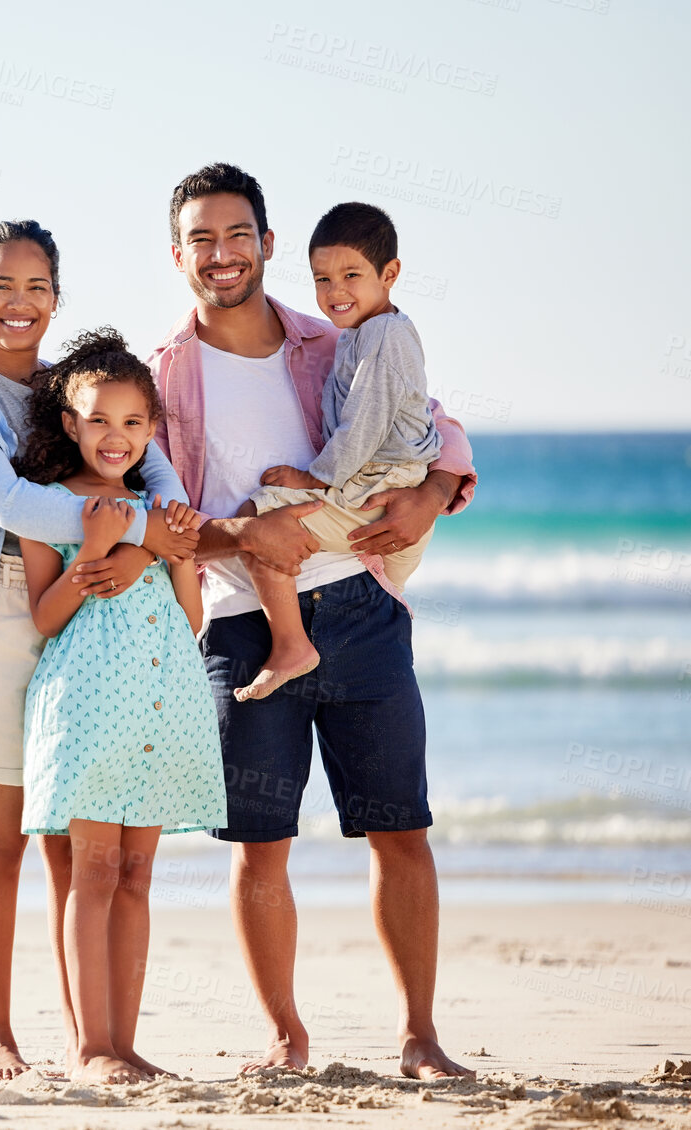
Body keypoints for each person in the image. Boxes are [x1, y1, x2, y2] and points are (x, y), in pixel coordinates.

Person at [123, 163, 479, 1081]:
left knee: (400, 828)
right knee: (258, 847)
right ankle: (285, 1038)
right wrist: (252, 534)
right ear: (176, 255)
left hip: (358, 609)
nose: (220, 252)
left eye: (236, 233)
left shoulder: (330, 338)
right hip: (242, 628)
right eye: (200, 237)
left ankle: (420, 1036)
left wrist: (438, 490)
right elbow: (171, 524)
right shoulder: (162, 377)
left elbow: (431, 424)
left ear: (266, 244)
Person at [0, 220, 199, 1079]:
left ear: (56, 299)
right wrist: (143, 533)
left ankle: (94, 1044)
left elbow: (154, 474)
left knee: (76, 848)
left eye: (36, 288)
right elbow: (14, 504)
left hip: (94, 614)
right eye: (2, 285)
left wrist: (152, 538)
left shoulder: (69, 394)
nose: (19, 303)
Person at [11, 329, 223, 1084]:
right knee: (91, 875)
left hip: (160, 702)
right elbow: (43, 616)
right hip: (89, 705)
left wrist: (169, 551)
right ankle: (89, 1046)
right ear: (71, 422)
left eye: (133, 424)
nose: (116, 437)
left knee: (135, 877)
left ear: (150, 431)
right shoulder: (47, 505)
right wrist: (94, 551)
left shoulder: (158, 510)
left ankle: (125, 1045)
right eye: (100, 420)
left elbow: (190, 616)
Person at [231, 201, 443, 702]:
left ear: (389, 274)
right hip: (377, 482)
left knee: (257, 518)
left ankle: (291, 647)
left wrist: (314, 478)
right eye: (321, 279)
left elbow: (362, 425)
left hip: (383, 488)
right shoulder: (359, 333)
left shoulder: (386, 336)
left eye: (351, 274)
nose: (335, 291)